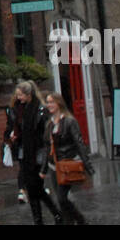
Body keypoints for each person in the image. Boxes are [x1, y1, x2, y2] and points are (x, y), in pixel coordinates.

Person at [3, 80, 62, 225]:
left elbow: (46, 133)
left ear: (28, 94)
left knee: (36, 187)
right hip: (25, 151)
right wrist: (14, 136)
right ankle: (40, 218)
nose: (18, 98)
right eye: (17, 95)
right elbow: (15, 126)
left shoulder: (40, 110)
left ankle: (55, 213)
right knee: (31, 187)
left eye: (20, 95)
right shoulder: (18, 109)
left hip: (38, 152)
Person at [44, 91, 93, 225]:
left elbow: (79, 143)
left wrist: (87, 164)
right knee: (61, 200)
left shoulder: (69, 121)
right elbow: (47, 148)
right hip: (54, 166)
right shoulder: (49, 124)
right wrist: (43, 170)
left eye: (51, 102)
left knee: (62, 198)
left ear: (59, 103)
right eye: (47, 102)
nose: (49, 105)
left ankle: (80, 219)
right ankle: (70, 221)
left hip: (66, 164)